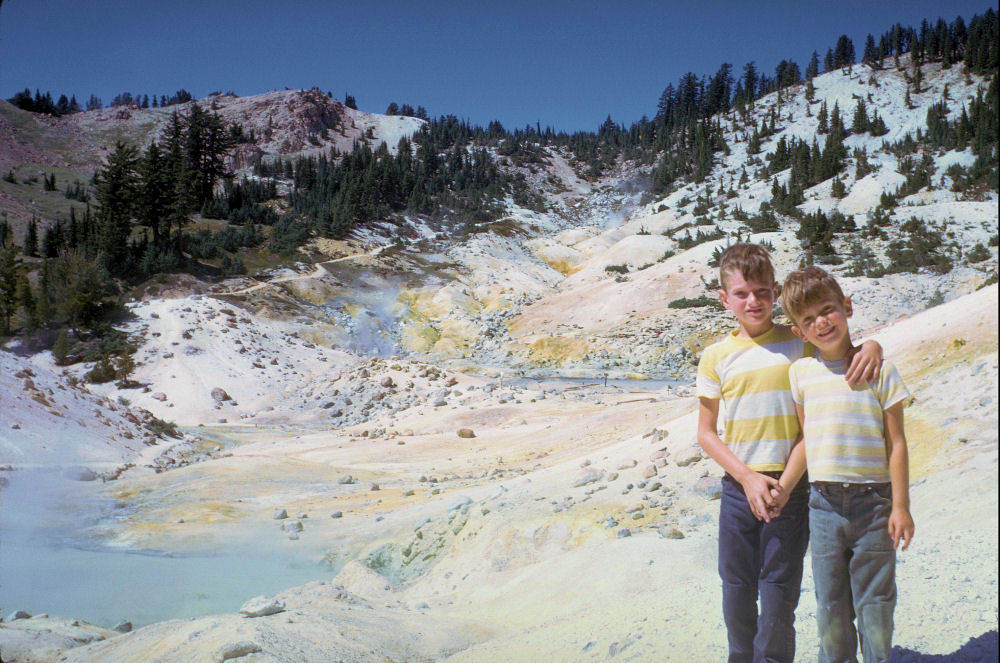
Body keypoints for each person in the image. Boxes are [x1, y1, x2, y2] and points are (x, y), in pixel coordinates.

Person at [696, 244, 883, 663]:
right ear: (724, 298)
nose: (754, 301)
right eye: (742, 293)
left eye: (762, 291)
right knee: (736, 588)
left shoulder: (797, 342)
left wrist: (873, 345)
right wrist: (746, 478)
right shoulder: (715, 356)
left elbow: (838, 360)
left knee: (779, 590)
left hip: (791, 487)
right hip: (738, 488)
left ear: (775, 290)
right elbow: (706, 433)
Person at [776, 266, 914, 663]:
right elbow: (809, 438)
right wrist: (785, 488)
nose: (821, 322)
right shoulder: (800, 374)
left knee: (876, 605)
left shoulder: (880, 370)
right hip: (822, 507)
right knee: (830, 605)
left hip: (875, 504)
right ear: (799, 332)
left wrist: (901, 506)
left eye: (827, 309)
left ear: (846, 307)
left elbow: (897, 442)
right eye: (808, 319)